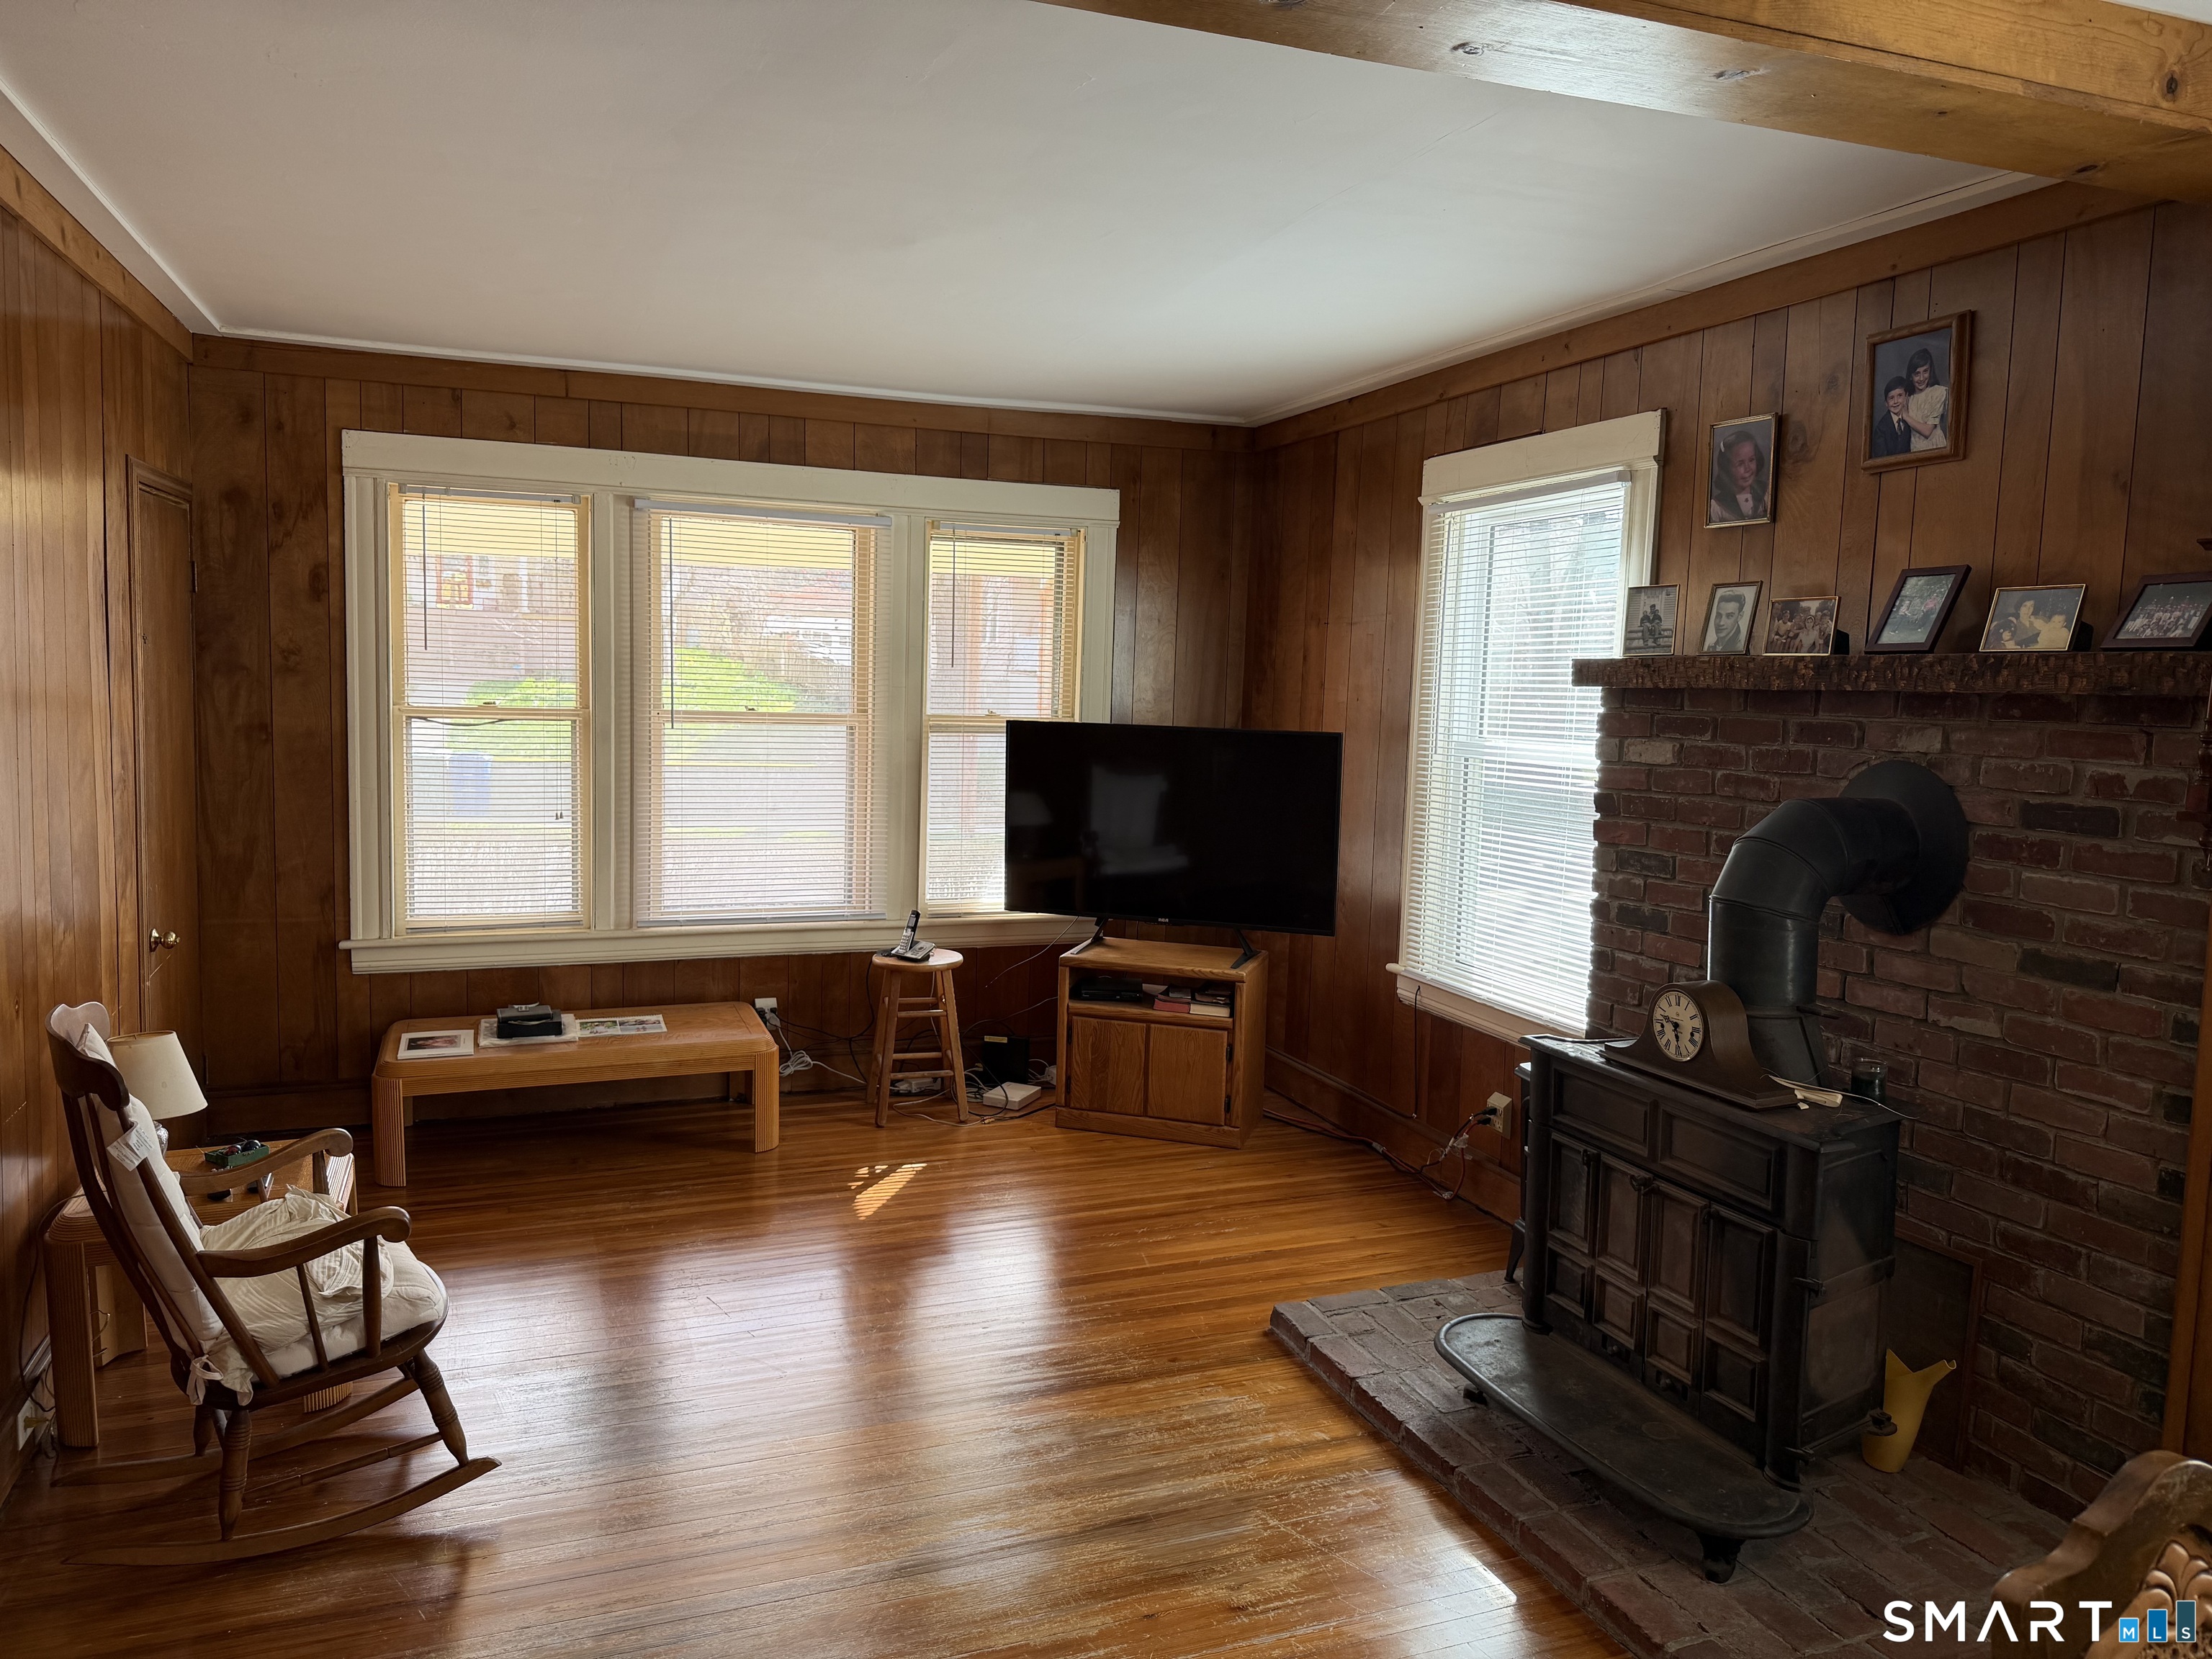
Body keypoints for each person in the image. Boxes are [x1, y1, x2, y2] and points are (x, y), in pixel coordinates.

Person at [1709, 430, 1766, 523]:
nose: (1748, 469)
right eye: (1740, 464)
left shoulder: (1766, 493)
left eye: (1751, 460)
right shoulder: (1717, 506)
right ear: (1727, 469)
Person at [1903, 347, 1948, 451]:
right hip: (1915, 450)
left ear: (1930, 371)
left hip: (1935, 448)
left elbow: (1927, 431)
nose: (1922, 378)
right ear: (1911, 376)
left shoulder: (1938, 393)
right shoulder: (1908, 398)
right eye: (1917, 374)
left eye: (1925, 371)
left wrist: (1906, 416)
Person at [1992, 595, 2073, 651]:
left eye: (2031, 606)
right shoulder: (2014, 626)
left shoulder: (2042, 619)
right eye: (2025, 606)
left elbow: (2058, 630)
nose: (2028, 610)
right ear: (2019, 608)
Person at [1871, 376, 1915, 458]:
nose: (1896, 401)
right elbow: (1881, 459)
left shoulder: (1910, 418)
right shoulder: (1881, 429)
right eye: (1891, 398)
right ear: (1886, 403)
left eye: (1900, 396)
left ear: (1906, 397)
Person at [1705, 588, 1750, 653]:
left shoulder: (1741, 647)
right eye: (1719, 615)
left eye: (1729, 616)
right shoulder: (1711, 645)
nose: (1721, 623)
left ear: (1740, 616)